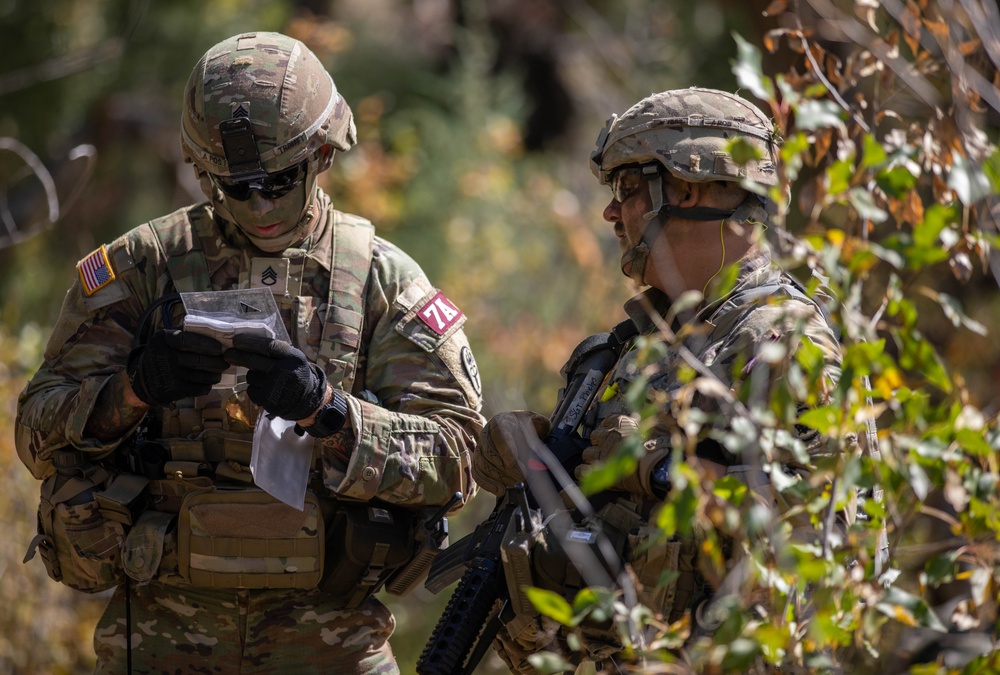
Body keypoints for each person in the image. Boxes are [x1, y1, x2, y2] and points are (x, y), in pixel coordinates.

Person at [16, 31, 484, 674]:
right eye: (237, 187)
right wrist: (133, 390)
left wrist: (330, 413)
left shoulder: (381, 280)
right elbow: (35, 432)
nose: (260, 205)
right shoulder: (143, 267)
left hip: (332, 647)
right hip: (158, 642)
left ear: (322, 153)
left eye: (280, 180)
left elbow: (458, 457)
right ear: (203, 172)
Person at [470, 87, 875, 673]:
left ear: (685, 188)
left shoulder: (784, 344)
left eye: (627, 188)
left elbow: (820, 551)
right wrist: (536, 463)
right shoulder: (634, 348)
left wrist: (658, 469)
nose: (612, 213)